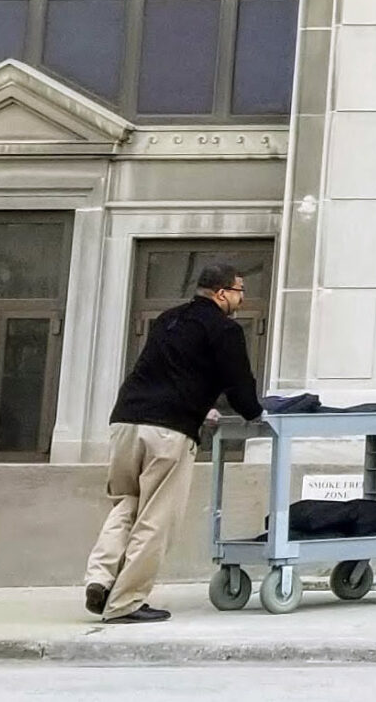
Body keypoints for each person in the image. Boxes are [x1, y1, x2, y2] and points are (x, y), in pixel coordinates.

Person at [84, 261, 263, 623]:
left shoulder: (167, 319)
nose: (242, 299)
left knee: (125, 503)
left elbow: (173, 369)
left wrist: (204, 405)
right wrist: (253, 412)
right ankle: (125, 603)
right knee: (156, 517)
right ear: (221, 292)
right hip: (167, 431)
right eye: (240, 291)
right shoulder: (224, 330)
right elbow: (240, 387)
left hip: (125, 421)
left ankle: (100, 579)